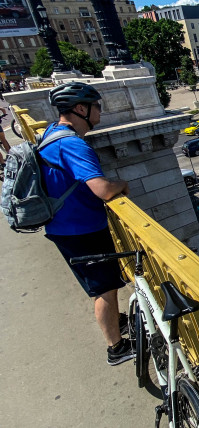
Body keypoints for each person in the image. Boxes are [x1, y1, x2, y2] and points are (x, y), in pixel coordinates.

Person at [40, 82, 133, 366]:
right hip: (81, 229)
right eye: (97, 106)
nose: (100, 111)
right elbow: (103, 189)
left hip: (63, 226)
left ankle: (116, 321)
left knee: (100, 285)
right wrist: (122, 184)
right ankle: (115, 348)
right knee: (104, 289)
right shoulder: (72, 144)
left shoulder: (51, 134)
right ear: (81, 109)